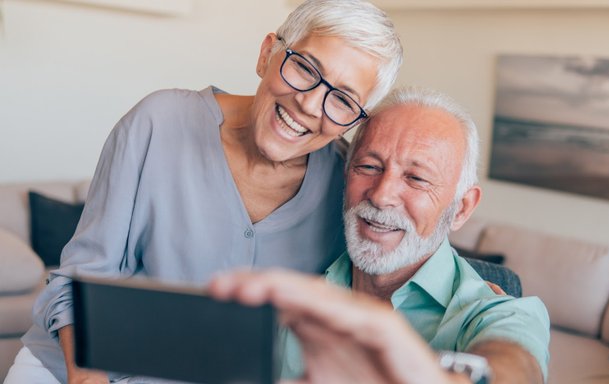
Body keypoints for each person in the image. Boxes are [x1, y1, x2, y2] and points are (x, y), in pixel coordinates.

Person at [4, 1, 403, 383]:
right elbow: (81, 276)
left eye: (344, 100)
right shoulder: (157, 122)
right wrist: (87, 377)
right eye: (303, 68)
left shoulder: (349, 187)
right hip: (68, 368)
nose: (311, 104)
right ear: (267, 54)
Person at [208, 86, 551, 384]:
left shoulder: (492, 312)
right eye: (369, 167)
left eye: (416, 179)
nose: (381, 194)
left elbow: (516, 363)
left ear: (461, 208)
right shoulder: (300, 278)